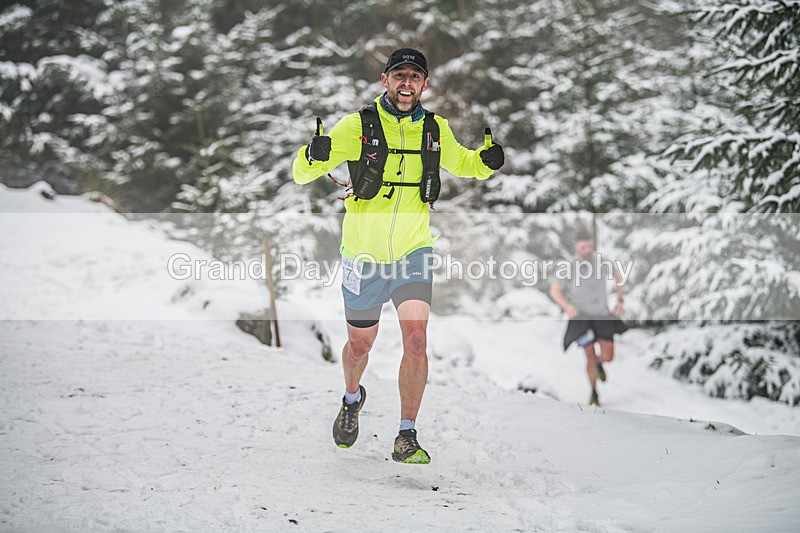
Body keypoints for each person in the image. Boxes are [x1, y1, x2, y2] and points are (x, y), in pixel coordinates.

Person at [291, 48, 504, 464]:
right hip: (363, 255)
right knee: (358, 345)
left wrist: (488, 161)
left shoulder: (434, 128)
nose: (407, 83)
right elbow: (303, 173)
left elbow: (465, 164)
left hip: (413, 250)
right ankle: (352, 399)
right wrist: (312, 155)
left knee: (417, 339)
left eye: (415, 77)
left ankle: (406, 434)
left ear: (425, 85)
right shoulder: (357, 126)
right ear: (384, 80)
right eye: (399, 75)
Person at [549, 228, 627, 407]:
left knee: (608, 356)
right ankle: (593, 392)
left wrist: (620, 300)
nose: (587, 250)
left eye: (590, 246)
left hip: (602, 315)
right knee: (589, 357)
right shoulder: (570, 267)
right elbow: (555, 290)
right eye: (583, 247)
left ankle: (601, 363)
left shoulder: (603, 262)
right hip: (582, 318)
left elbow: (619, 279)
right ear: (576, 247)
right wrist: (567, 306)